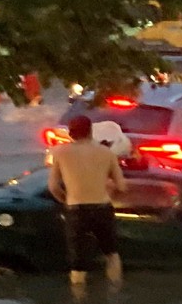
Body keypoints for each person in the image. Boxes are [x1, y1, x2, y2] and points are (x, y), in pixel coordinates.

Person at [49, 114, 128, 287]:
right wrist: (109, 193)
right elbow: (121, 187)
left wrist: (67, 200)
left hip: (76, 209)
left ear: (71, 133)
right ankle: (115, 291)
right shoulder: (106, 153)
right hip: (102, 207)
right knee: (111, 254)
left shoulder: (60, 153)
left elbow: (54, 187)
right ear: (91, 131)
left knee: (78, 264)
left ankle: (78, 299)